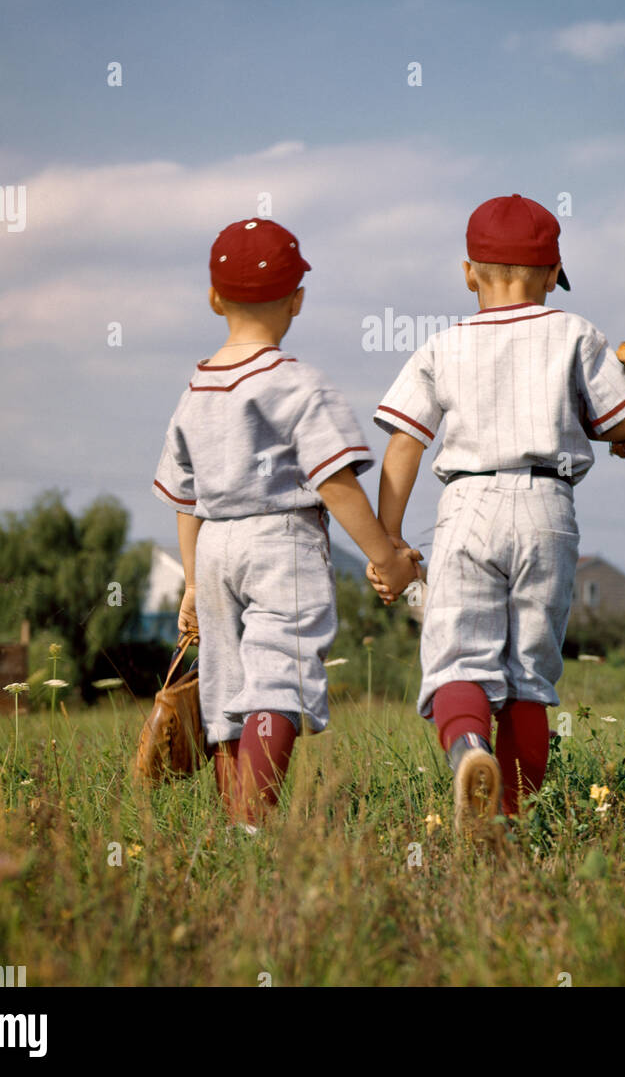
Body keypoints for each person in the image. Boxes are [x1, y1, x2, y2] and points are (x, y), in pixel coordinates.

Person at [367, 194, 625, 839]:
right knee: (529, 677)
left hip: (467, 505)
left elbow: (404, 443)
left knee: (457, 663)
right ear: (552, 272)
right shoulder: (575, 333)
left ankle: (468, 752)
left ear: (468, 272)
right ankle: (511, 819)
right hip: (547, 506)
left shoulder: (442, 345)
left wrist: (389, 540)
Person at [152, 216, 419, 830]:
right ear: (298, 300)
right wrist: (385, 557)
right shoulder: (300, 384)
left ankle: (238, 828)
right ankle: (255, 819)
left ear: (214, 298)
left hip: (215, 546)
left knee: (225, 684)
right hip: (281, 542)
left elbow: (185, 498)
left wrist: (192, 583)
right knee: (279, 677)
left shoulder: (195, 389)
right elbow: (335, 482)